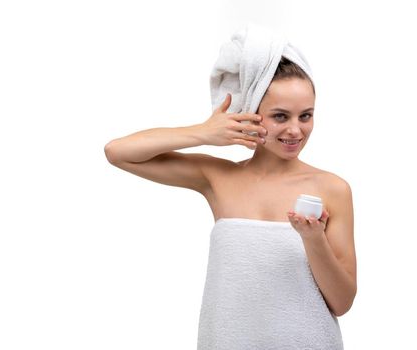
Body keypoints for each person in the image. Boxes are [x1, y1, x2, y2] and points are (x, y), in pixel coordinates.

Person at [105, 52, 356, 348]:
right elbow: (118, 152)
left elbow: (341, 302)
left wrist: (314, 240)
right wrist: (203, 133)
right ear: (250, 112)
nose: (295, 130)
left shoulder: (332, 189)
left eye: (306, 115)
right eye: (280, 116)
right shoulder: (219, 178)